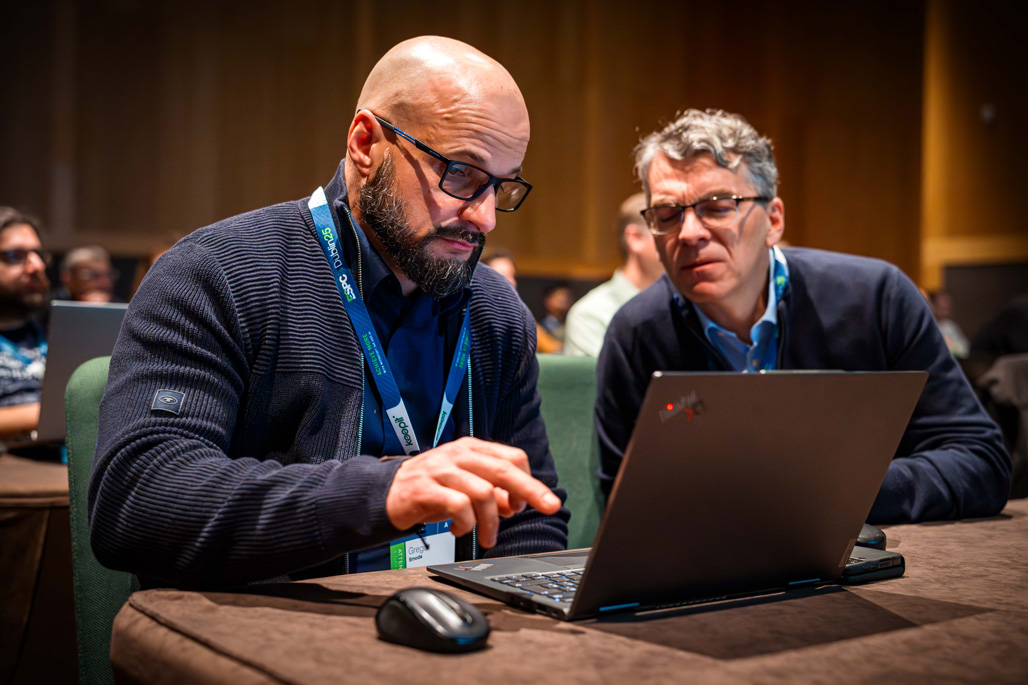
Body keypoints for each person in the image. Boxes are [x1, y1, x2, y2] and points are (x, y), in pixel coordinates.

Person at [90, 36, 569, 588]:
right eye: (460, 172)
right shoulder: (217, 272)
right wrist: (385, 491)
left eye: (502, 185)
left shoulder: (494, 311)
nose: (485, 217)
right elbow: (138, 498)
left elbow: (529, 517)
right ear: (366, 142)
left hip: (450, 633)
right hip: (265, 632)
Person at [595, 109, 1010, 523]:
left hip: (874, 562)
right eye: (667, 214)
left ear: (773, 220)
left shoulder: (876, 298)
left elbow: (980, 459)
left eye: (718, 206)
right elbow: (625, 505)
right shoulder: (635, 334)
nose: (688, 233)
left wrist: (837, 492)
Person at [564, 193, 664, 357]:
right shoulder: (591, 315)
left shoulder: (691, 305)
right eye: (666, 231)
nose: (684, 240)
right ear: (636, 238)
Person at [0, 208, 50, 441]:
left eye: (39, 254)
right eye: (15, 256)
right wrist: (56, 413)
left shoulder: (57, 331)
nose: (37, 266)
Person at [481, 249, 561, 353]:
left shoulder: (521, 317)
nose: (509, 281)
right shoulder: (470, 314)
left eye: (511, 275)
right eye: (501, 275)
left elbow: (556, 350)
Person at [538, 282, 572, 347]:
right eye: (560, 298)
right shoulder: (540, 328)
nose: (565, 302)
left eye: (568, 298)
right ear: (548, 301)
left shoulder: (573, 325)